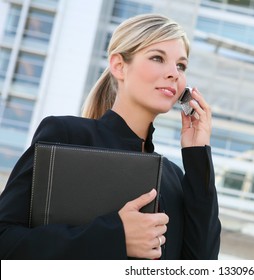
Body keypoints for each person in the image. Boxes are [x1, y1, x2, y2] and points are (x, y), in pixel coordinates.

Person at [0, 13, 221, 260]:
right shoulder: (68, 136)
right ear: (118, 65)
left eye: (181, 65)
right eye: (158, 58)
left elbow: (201, 265)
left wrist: (198, 154)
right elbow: (5, 241)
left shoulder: (175, 178)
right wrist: (115, 236)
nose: (174, 73)